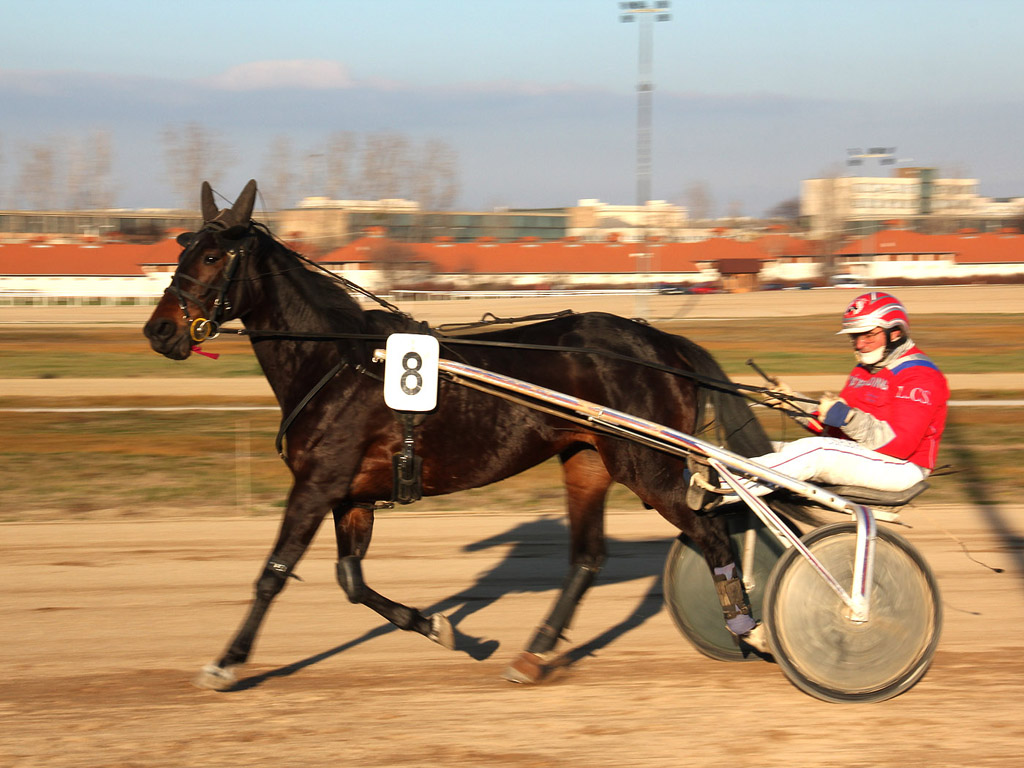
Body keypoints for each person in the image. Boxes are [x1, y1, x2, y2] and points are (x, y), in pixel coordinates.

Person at [691, 291, 949, 506]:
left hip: (902, 468)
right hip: (868, 457)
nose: (860, 345)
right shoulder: (864, 370)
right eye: (855, 337)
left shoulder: (920, 377)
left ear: (896, 333)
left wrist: (846, 416)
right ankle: (702, 471)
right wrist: (792, 402)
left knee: (815, 452)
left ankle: (720, 489)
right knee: (764, 448)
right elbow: (834, 430)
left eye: (869, 335)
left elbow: (898, 444)